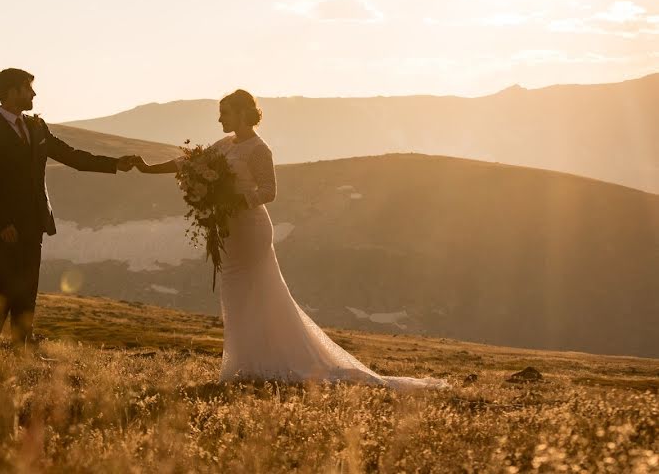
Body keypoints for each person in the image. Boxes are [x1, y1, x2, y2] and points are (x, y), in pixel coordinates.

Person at [135, 89, 449, 390]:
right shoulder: (224, 144)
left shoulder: (259, 149)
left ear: (243, 113)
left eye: (224, 113)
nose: (220, 120)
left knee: (261, 294)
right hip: (229, 232)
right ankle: (243, 365)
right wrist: (148, 169)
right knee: (235, 296)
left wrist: (233, 200)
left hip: (251, 230)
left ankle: (268, 364)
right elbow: (189, 163)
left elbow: (268, 191)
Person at [0, 68, 139, 348]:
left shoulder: (37, 127)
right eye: (28, 88)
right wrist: (3, 223)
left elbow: (71, 156)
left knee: (28, 286)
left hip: (35, 220)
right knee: (4, 284)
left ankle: (23, 345)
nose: (33, 93)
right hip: (6, 226)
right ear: (12, 92)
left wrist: (113, 163)